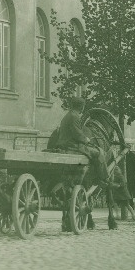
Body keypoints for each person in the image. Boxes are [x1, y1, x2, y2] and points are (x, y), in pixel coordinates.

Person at [56, 96, 108, 230]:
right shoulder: (75, 116)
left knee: (97, 151)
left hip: (65, 144)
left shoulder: (68, 115)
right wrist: (86, 139)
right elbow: (77, 134)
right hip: (72, 146)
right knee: (100, 152)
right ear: (81, 107)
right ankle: (103, 178)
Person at [109, 152, 135, 221]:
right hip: (118, 194)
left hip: (123, 194)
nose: (115, 171)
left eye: (117, 170)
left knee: (127, 206)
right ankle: (117, 215)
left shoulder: (121, 176)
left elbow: (123, 184)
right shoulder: (114, 177)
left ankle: (133, 215)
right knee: (115, 204)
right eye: (114, 170)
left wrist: (116, 185)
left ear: (120, 170)